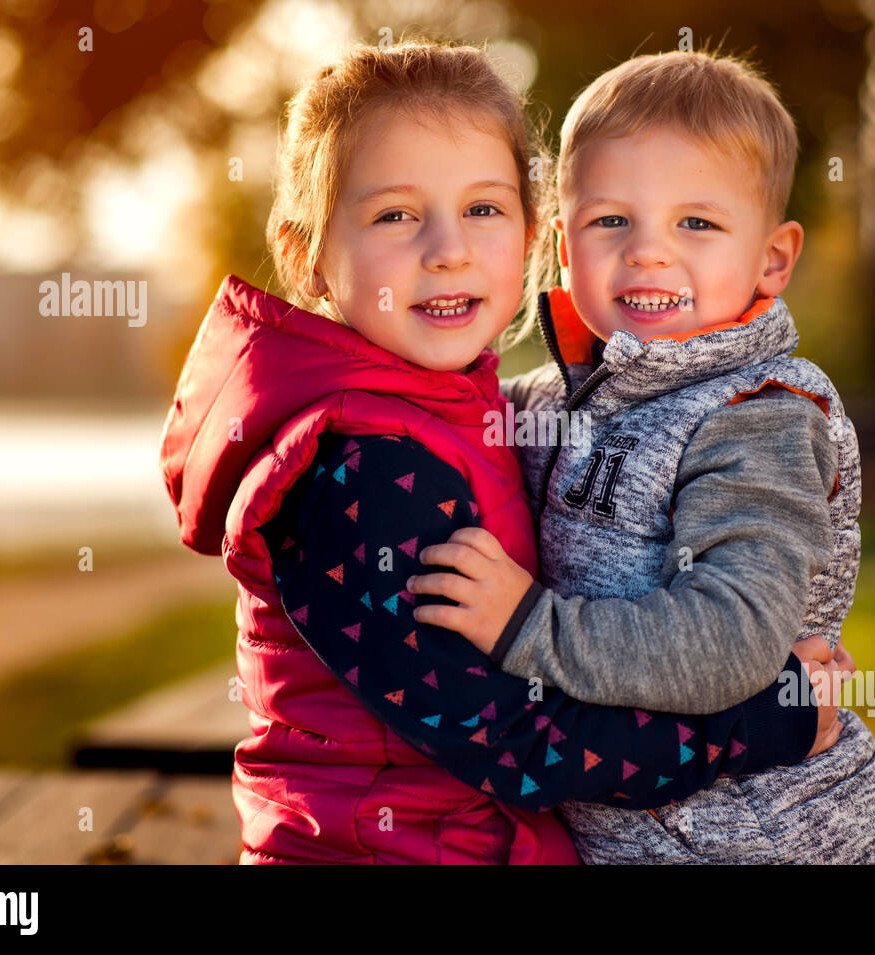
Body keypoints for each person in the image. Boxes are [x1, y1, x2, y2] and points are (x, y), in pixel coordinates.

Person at [160, 40, 834, 865]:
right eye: (395, 214)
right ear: (306, 256)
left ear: (528, 233)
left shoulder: (477, 405)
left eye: (483, 207)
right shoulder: (358, 468)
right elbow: (519, 742)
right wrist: (764, 722)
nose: (449, 248)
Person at [410, 50, 875, 864]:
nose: (649, 251)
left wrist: (530, 626)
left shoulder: (756, 418)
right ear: (563, 247)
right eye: (613, 220)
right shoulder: (542, 402)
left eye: (697, 222)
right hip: (633, 829)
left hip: (767, 834)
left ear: (772, 259)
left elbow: (733, 638)